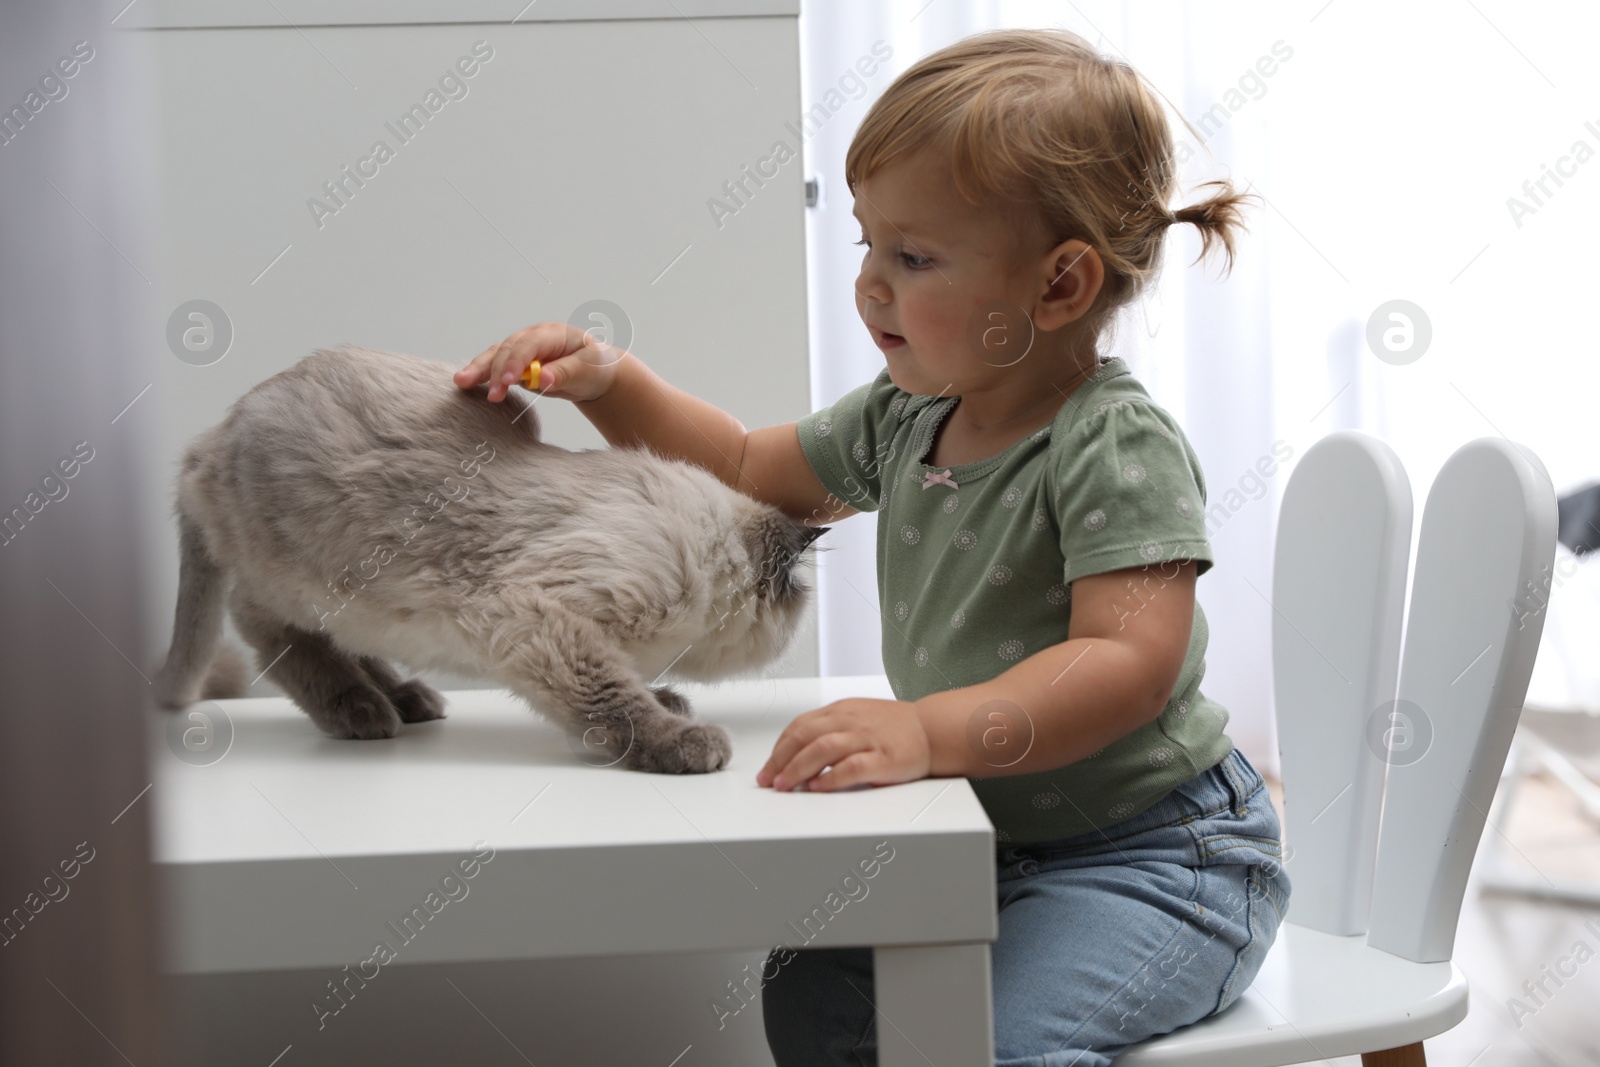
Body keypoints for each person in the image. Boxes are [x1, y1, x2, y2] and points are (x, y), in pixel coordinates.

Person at [453, 26, 1291, 1066]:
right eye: (866, 244)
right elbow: (747, 468)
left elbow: (1125, 662)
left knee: (1000, 1044)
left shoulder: (1110, 441)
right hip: (983, 836)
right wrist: (612, 384)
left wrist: (928, 732)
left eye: (913, 255)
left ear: (1060, 286)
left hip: (1155, 854)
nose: (871, 284)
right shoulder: (909, 412)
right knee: (811, 992)